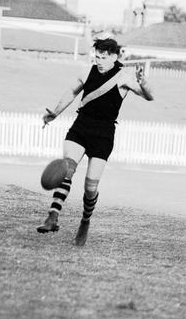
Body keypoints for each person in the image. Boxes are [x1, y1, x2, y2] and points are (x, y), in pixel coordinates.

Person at [37, 37, 155, 246]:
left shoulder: (124, 77)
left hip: (104, 133)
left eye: (102, 57)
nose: (98, 61)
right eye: (97, 56)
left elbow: (149, 97)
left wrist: (143, 82)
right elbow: (72, 92)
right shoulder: (87, 71)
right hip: (81, 126)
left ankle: (85, 221)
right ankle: (52, 216)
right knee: (67, 169)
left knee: (90, 187)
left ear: (114, 57)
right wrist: (55, 112)